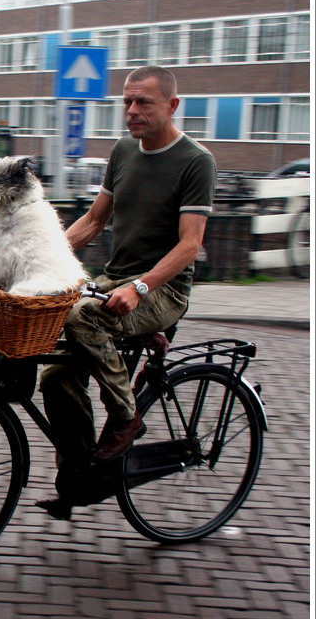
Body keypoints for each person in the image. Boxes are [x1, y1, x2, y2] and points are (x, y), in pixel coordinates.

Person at [40, 65, 217, 481]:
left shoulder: (196, 162)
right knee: (54, 377)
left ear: (172, 106)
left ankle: (126, 415)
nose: (132, 110)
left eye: (143, 102)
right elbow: (94, 221)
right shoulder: (122, 151)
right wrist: (43, 256)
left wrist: (140, 287)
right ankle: (80, 474)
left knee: (82, 315)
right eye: (127, 102)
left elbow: (190, 244)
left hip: (163, 290)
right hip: (114, 279)